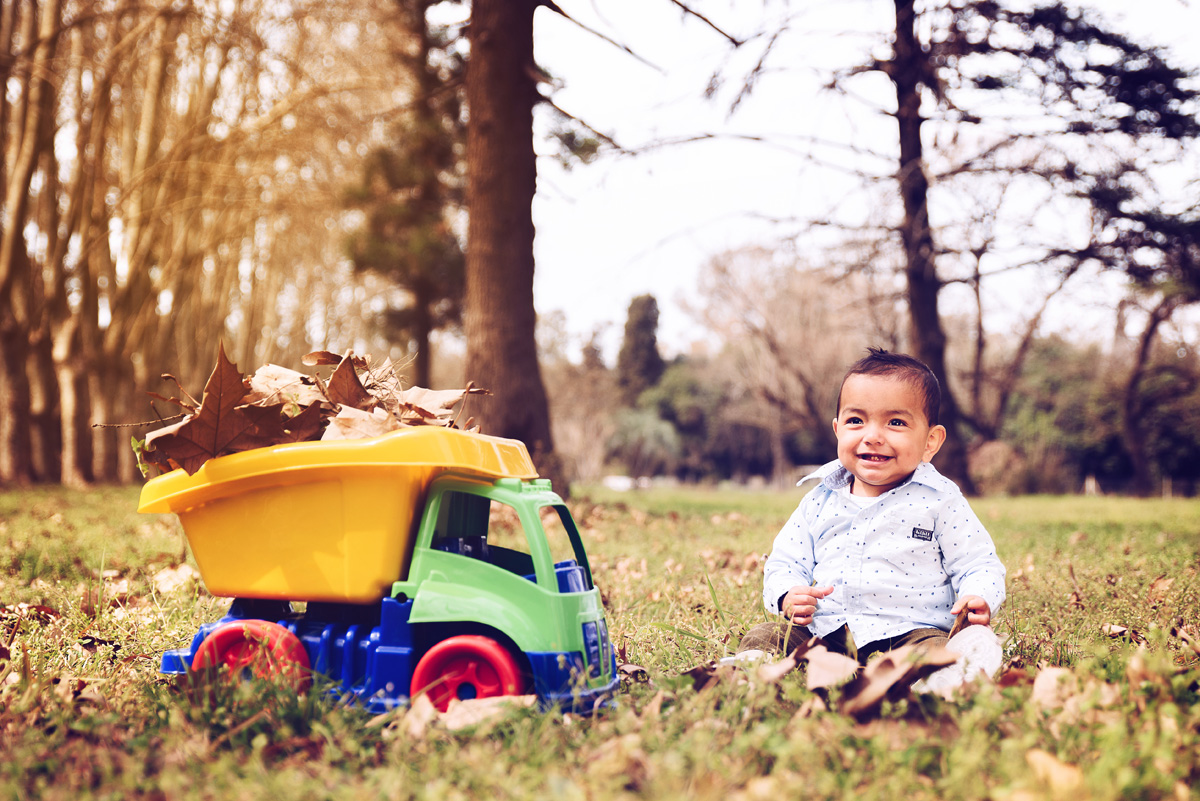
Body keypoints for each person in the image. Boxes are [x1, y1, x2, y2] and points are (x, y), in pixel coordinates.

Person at [736, 348, 1006, 687]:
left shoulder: (940, 501)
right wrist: (789, 593)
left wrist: (978, 595)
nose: (873, 435)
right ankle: (747, 674)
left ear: (930, 441)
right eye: (856, 421)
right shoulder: (819, 500)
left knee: (938, 651)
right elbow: (785, 561)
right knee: (767, 636)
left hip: (912, 630)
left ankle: (947, 680)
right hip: (827, 630)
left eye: (895, 422)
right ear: (837, 430)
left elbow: (978, 562)